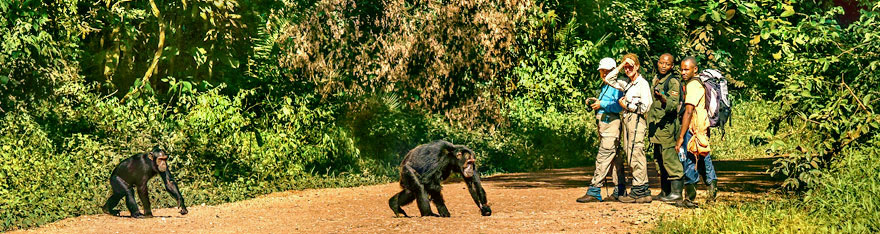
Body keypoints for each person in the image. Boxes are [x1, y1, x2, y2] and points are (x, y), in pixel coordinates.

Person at [602, 53, 653, 203]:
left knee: (636, 152)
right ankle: (642, 191)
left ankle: (639, 189)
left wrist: (627, 106)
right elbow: (608, 79)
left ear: (637, 66)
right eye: (626, 67)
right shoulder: (627, 83)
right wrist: (621, 65)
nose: (628, 69)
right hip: (628, 120)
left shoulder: (642, 84)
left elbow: (646, 106)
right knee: (630, 153)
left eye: (631, 66)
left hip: (636, 120)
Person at [576, 57, 627, 203]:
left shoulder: (617, 85)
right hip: (604, 124)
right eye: (602, 71)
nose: (604, 73)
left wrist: (602, 104)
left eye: (607, 71)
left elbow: (619, 106)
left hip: (611, 123)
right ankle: (620, 190)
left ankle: (594, 190)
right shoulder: (605, 86)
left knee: (604, 156)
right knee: (615, 157)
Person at [675, 57, 718, 208]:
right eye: (681, 69)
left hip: (694, 129)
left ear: (695, 69)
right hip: (701, 127)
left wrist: (681, 137)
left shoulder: (693, 85)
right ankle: (711, 195)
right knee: (703, 159)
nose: (683, 72)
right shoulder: (699, 83)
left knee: (691, 161)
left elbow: (688, 112)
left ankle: (690, 199)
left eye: (686, 69)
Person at [646, 53, 685, 202]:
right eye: (661, 62)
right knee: (659, 159)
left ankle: (676, 193)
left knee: (669, 159)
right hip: (656, 127)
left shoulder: (673, 81)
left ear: (672, 66)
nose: (663, 66)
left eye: (667, 64)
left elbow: (673, 105)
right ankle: (665, 191)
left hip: (667, 127)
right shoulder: (657, 79)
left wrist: (663, 99)